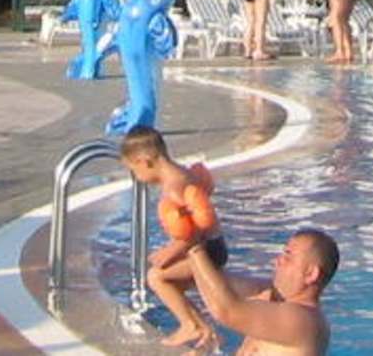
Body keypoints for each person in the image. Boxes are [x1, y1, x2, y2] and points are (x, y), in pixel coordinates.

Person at [120, 128, 228, 350]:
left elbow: (195, 232)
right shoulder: (182, 174)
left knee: (156, 277)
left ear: (145, 162)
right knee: (168, 282)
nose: (136, 177)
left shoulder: (175, 187)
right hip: (210, 246)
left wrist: (169, 253)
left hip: (207, 251)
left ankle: (191, 325)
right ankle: (205, 333)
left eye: (134, 170)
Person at [185, 226, 337, 356]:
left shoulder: (305, 322)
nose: (277, 261)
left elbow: (227, 310)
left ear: (311, 274)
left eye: (288, 256)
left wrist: (194, 247)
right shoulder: (272, 297)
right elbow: (219, 283)